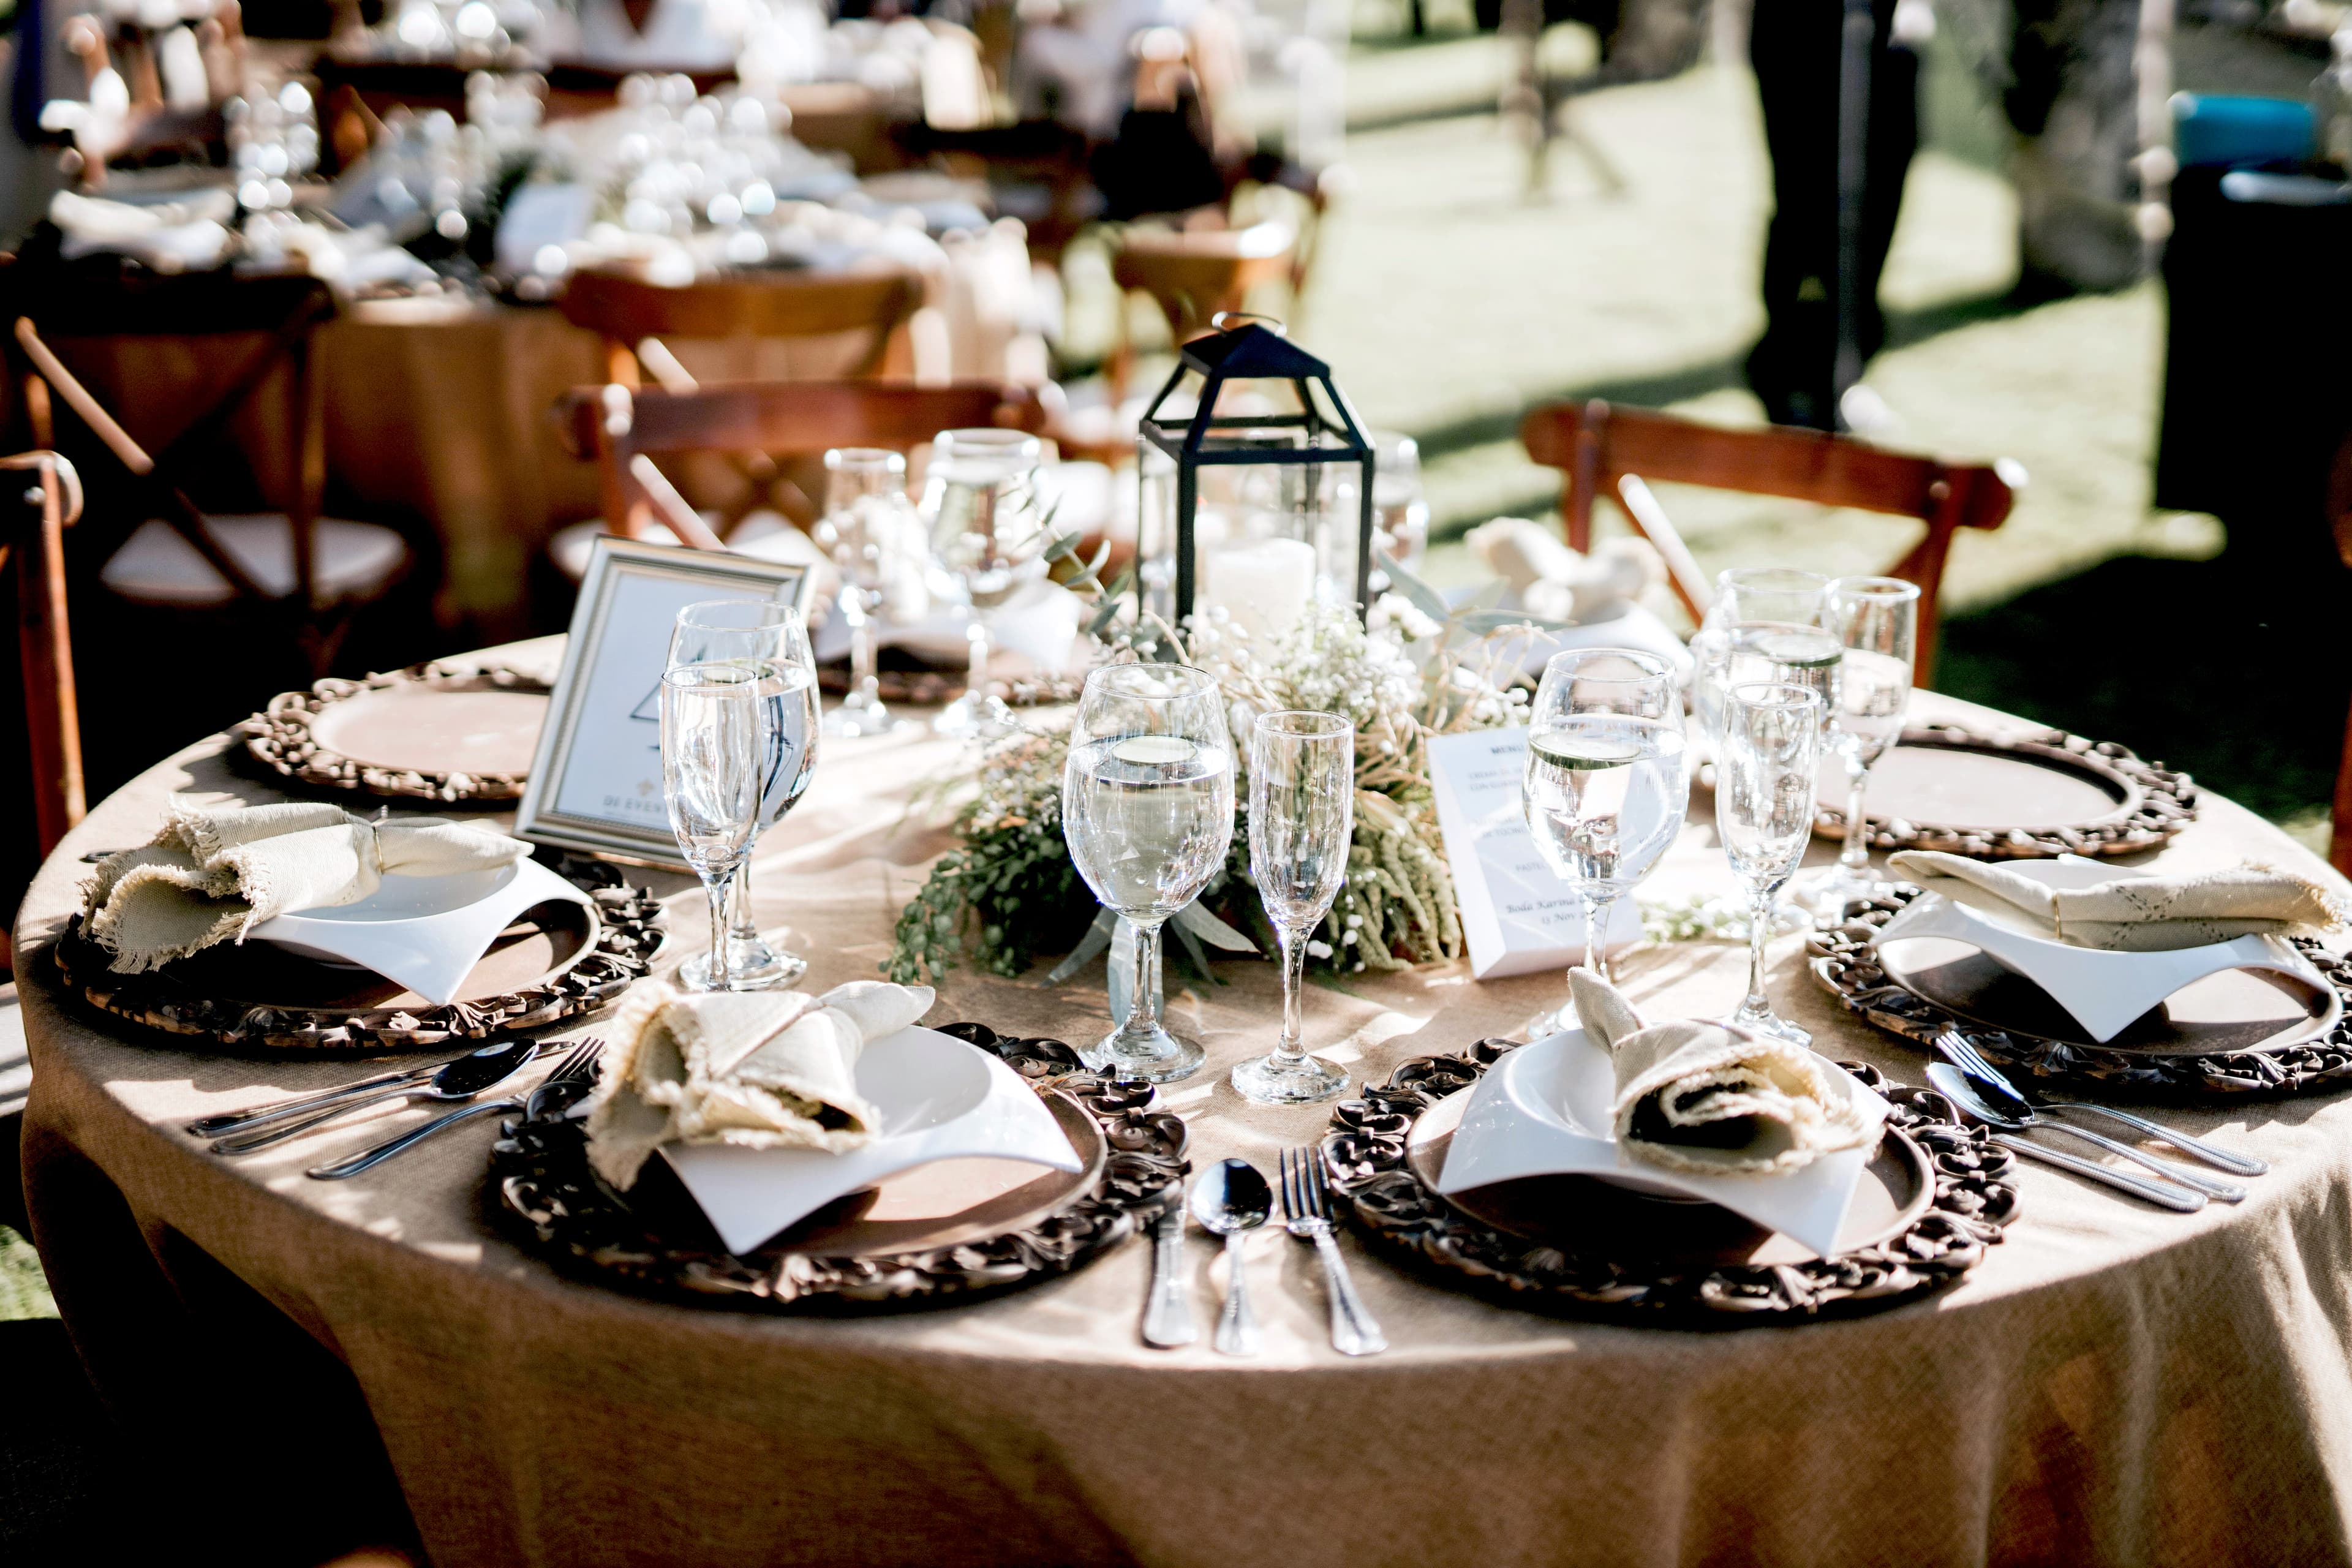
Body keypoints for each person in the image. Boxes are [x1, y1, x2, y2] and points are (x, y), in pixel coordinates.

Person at [1743, 0, 1923, 432]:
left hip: (1887, 29)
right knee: (1810, 198)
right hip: (1808, 27)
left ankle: (1846, 372)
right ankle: (1797, 380)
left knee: (1881, 189)